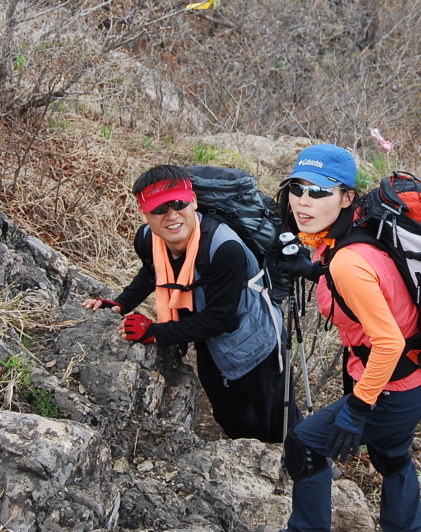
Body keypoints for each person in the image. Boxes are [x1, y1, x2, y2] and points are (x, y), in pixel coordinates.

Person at [257, 144, 421, 532]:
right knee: (391, 457)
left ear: (346, 197)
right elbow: (372, 286)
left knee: (304, 447)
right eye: (297, 188)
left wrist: (356, 410)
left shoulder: (347, 260)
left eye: (320, 191)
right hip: (418, 379)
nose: (304, 202)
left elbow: (387, 341)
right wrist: (309, 270)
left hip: (392, 387)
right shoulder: (358, 232)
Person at [82, 165, 302, 444]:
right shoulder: (149, 240)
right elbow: (153, 272)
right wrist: (119, 304)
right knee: (230, 419)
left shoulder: (224, 248)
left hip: (256, 343)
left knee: (279, 422)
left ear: (193, 201)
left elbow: (222, 318)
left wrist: (155, 333)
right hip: (210, 342)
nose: (172, 216)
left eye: (179, 204)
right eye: (159, 209)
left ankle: (314, 467)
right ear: (144, 214)